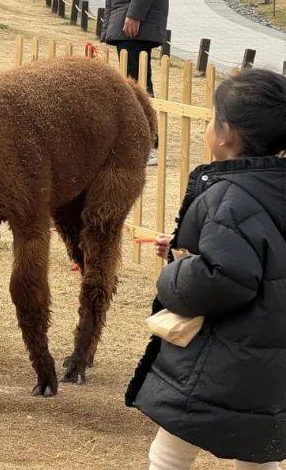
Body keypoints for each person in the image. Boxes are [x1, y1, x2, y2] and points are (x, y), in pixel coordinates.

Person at [126, 68, 286, 470]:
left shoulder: (230, 196)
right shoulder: (273, 187)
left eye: (212, 119)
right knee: (257, 455)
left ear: (228, 134)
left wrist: (174, 275)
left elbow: (226, 276)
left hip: (221, 361)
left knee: (169, 454)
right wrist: (184, 251)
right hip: (272, 362)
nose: (207, 128)